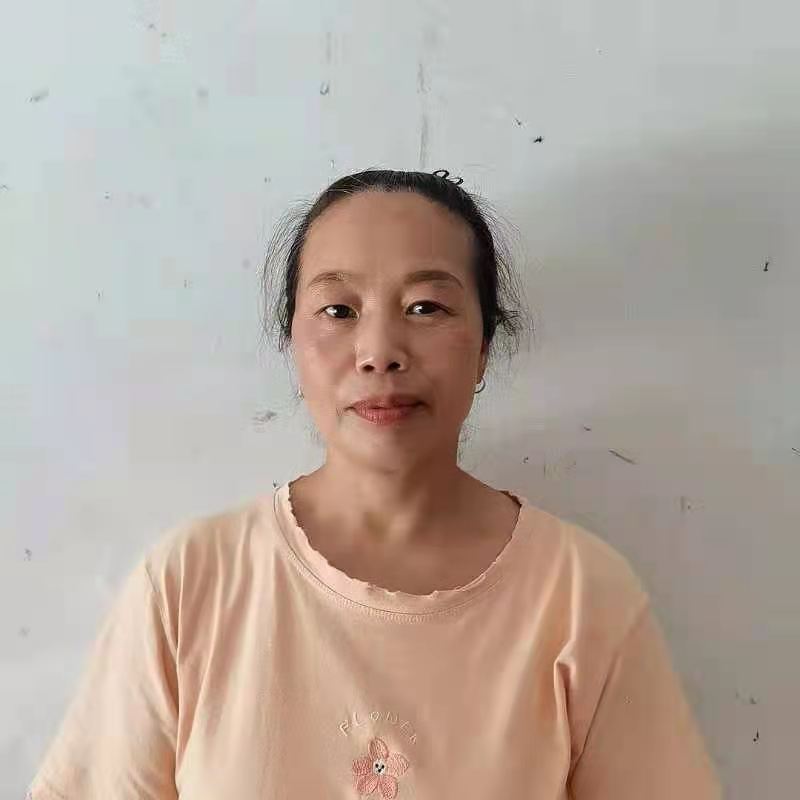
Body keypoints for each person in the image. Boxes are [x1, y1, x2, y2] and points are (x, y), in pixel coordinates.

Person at [28, 168, 722, 798]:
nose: (380, 352)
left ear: (484, 344)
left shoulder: (579, 596)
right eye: (339, 310)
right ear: (293, 341)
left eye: (426, 307)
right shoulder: (190, 584)